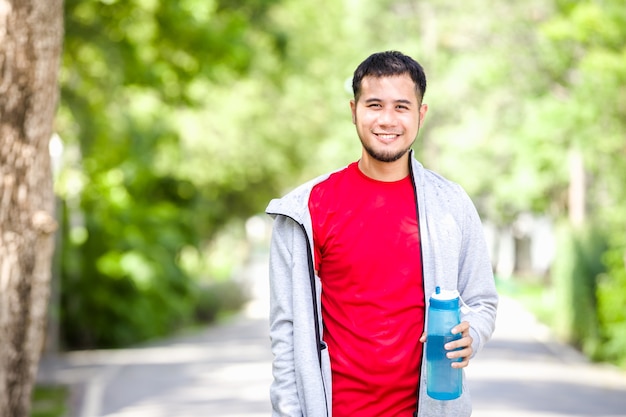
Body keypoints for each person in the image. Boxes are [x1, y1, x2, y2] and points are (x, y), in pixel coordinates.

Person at [265, 50, 498, 417]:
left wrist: (474, 333)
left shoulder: (450, 205)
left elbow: (482, 300)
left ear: (420, 114)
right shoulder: (308, 208)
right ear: (354, 109)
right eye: (374, 104)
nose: (387, 120)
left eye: (401, 107)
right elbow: (286, 332)